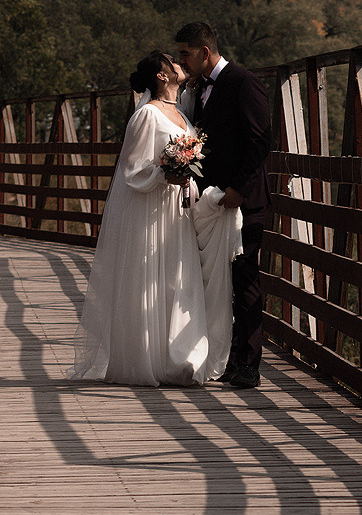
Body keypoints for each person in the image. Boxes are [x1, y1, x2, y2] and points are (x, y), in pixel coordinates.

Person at [68, 50, 239, 387]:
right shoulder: (146, 114)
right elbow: (132, 169)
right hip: (152, 211)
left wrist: (184, 175)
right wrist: (165, 174)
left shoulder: (182, 112)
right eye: (173, 62)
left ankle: (183, 358)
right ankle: (150, 358)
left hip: (178, 211)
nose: (181, 65)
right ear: (162, 75)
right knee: (154, 278)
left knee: (179, 278)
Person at [175, 21, 272, 390]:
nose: (182, 61)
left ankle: (249, 363)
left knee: (244, 279)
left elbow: (260, 140)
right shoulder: (199, 88)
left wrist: (240, 190)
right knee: (215, 281)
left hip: (243, 202)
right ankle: (227, 357)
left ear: (204, 52)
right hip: (211, 202)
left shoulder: (244, 82)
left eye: (185, 54)